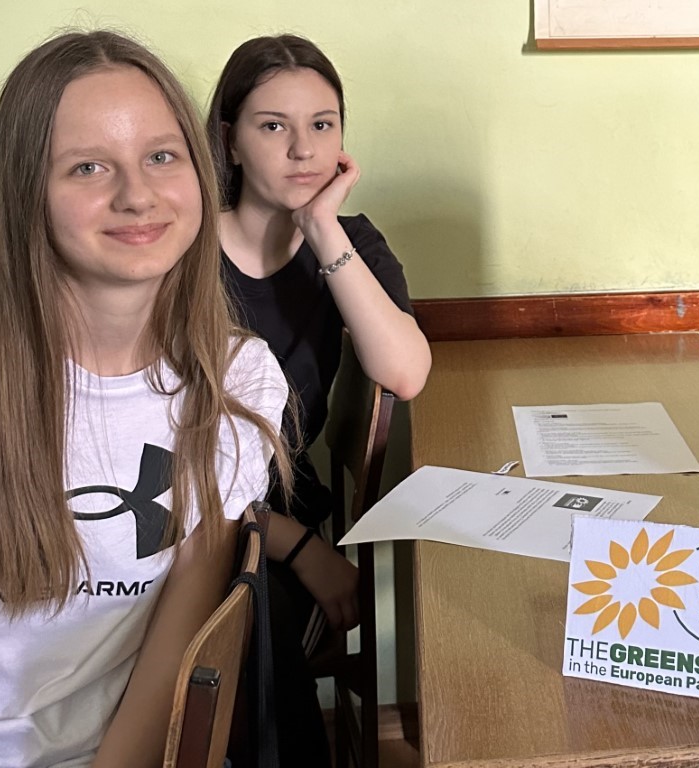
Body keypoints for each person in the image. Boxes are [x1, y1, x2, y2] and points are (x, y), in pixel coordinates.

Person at [0, 31, 288, 768]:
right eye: (88, 167)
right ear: (27, 194)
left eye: (162, 156)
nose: (137, 195)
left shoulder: (238, 383)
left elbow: (169, 675)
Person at [206, 34, 432, 764]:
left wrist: (321, 226)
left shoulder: (349, 242)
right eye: (273, 125)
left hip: (281, 508)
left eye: (322, 124)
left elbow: (405, 373)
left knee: (254, 623)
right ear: (230, 141)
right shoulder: (178, 249)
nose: (303, 148)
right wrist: (297, 547)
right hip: (186, 515)